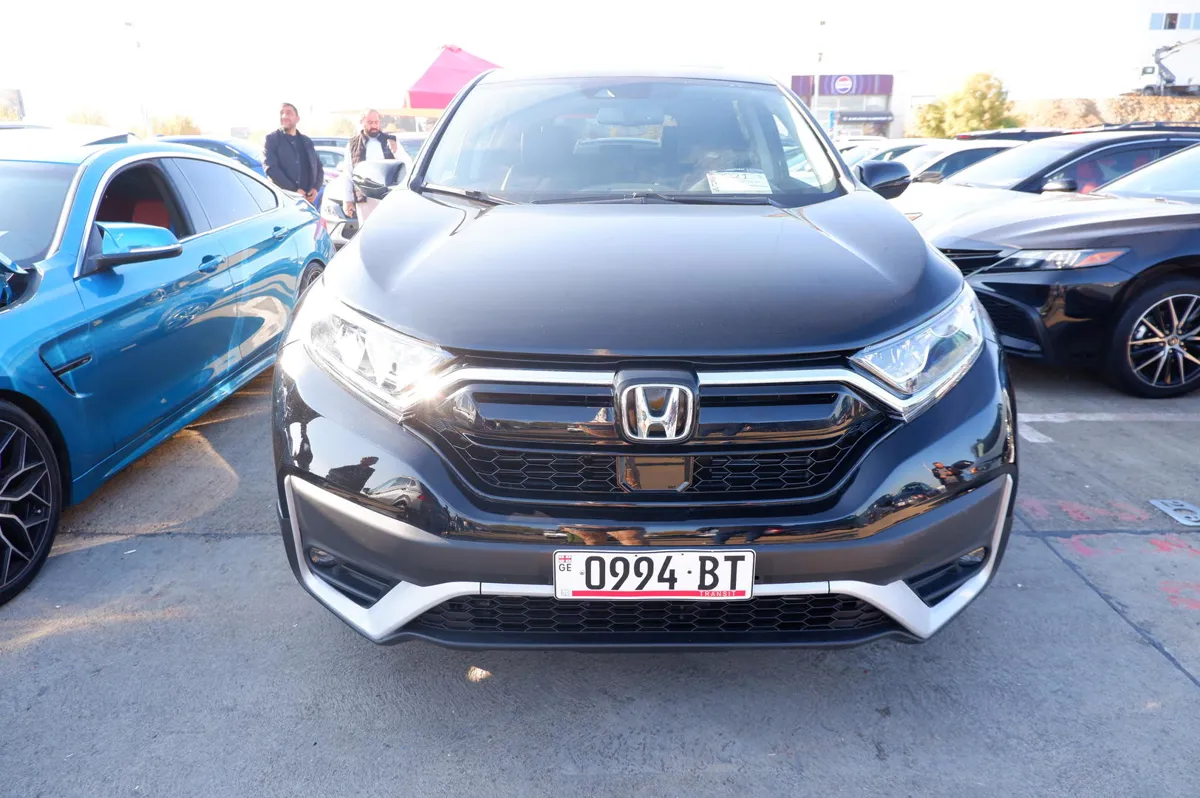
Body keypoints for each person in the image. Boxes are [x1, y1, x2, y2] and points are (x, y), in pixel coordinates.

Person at [343, 109, 412, 223]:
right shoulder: (353, 145)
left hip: (388, 197)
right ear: (362, 122)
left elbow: (408, 164)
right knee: (366, 230)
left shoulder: (391, 141)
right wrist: (347, 200)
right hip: (365, 198)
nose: (374, 126)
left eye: (376, 122)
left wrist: (396, 151)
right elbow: (348, 174)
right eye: (370, 122)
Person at [263, 102, 323, 204]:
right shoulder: (272, 140)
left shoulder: (306, 141)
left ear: (297, 118)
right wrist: (294, 190)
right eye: (281, 113)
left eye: (288, 113)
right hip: (284, 201)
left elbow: (318, 167)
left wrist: (316, 188)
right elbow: (271, 169)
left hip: (307, 201)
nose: (284, 116)